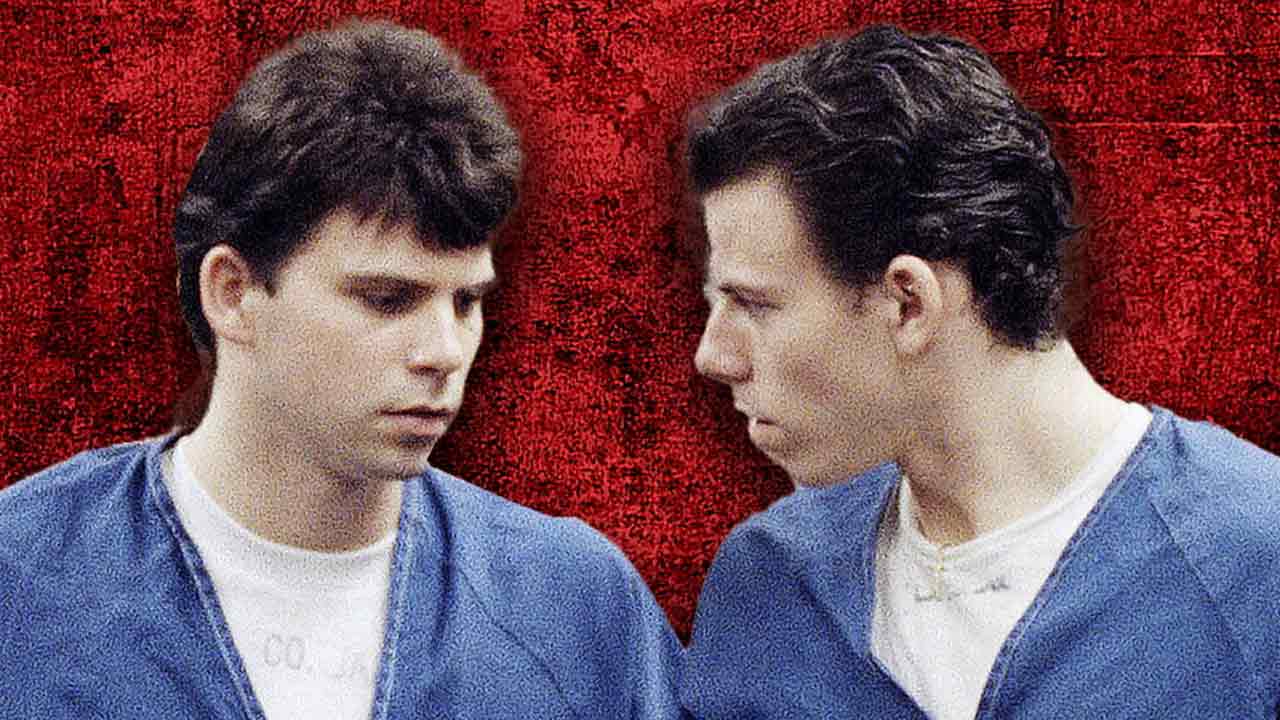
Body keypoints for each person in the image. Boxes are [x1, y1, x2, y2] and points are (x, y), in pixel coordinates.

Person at [0, 19, 680, 719]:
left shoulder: (573, 608)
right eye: (387, 299)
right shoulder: (23, 583)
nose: (445, 351)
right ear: (232, 293)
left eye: (467, 301)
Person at [679, 24, 1280, 719]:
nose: (713, 356)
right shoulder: (767, 587)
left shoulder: (1256, 564)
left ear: (909, 303)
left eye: (753, 303)